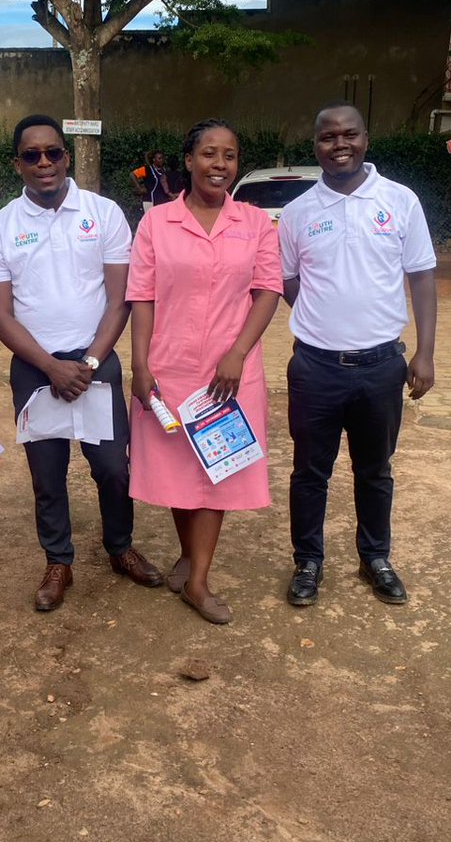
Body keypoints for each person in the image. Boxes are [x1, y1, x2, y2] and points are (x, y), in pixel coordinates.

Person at [0, 114, 161, 611]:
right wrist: (51, 366)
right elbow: (0, 314)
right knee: (47, 475)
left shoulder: (103, 213)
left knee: (114, 469)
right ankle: (58, 561)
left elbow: (120, 299)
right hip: (35, 370)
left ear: (67, 156)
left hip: (95, 363)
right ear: (17, 164)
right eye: (32, 155)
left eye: (53, 152)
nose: (44, 163)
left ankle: (120, 547)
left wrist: (92, 359)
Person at [278, 103, 437, 608]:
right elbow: (287, 279)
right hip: (315, 368)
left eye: (349, 134)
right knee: (309, 472)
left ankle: (375, 558)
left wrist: (426, 352)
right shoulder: (298, 212)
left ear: (366, 138)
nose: (339, 144)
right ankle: (308, 561)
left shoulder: (400, 200)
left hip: (382, 366)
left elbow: (422, 277)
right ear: (316, 145)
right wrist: (322, 316)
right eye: (328, 137)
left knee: (375, 470)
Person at [127, 119, 282, 624]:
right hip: (170, 367)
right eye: (209, 154)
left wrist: (238, 352)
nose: (220, 164)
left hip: (228, 373)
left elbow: (268, 290)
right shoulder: (157, 223)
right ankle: (189, 555)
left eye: (229, 155)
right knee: (179, 468)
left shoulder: (255, 223)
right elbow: (142, 296)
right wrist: (140, 363)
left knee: (217, 467)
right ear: (189, 160)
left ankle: (197, 580)